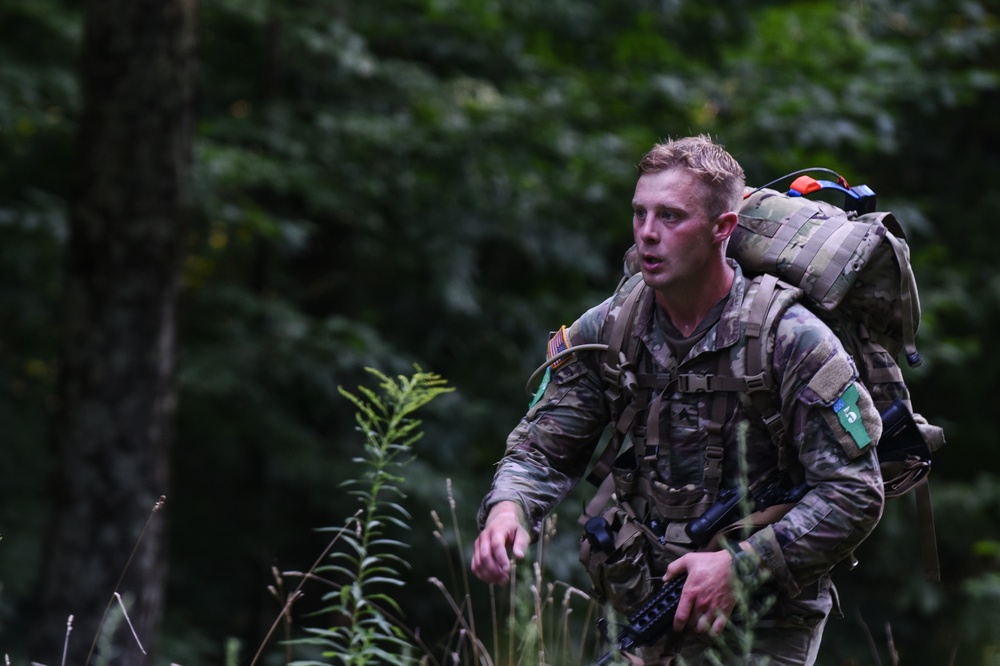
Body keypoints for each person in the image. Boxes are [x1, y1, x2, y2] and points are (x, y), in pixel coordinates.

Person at [471, 135, 885, 665]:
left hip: (763, 624)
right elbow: (542, 452)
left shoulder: (789, 338)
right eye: (639, 213)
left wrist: (742, 567)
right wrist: (508, 510)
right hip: (643, 611)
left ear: (722, 228)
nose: (647, 234)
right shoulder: (611, 328)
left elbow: (856, 491)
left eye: (670, 216)